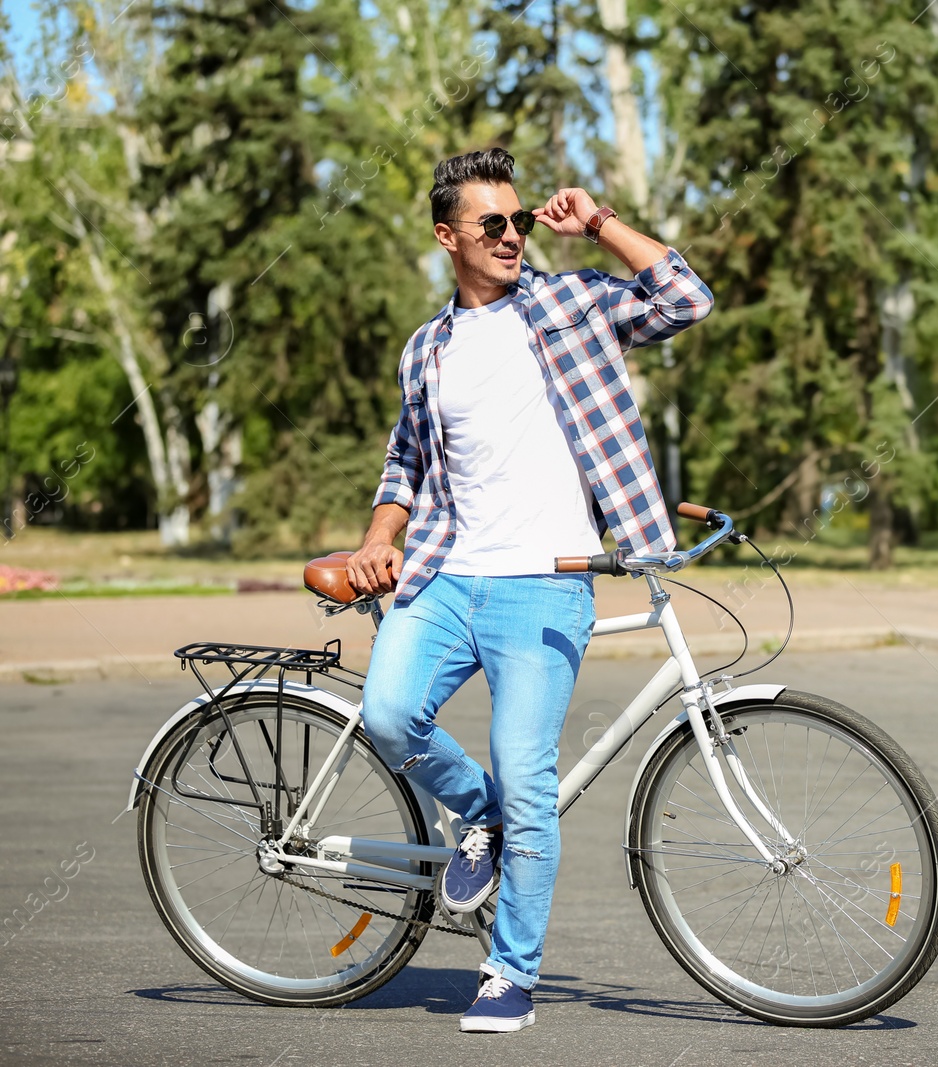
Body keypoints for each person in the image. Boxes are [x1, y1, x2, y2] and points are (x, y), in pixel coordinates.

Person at [346, 147, 713, 1033]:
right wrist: (376, 537)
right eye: (493, 225)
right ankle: (484, 818)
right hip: (443, 576)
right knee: (389, 716)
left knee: (529, 774)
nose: (513, 237)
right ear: (448, 237)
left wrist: (600, 224)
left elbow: (685, 298)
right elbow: (407, 461)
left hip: (546, 583)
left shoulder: (570, 301)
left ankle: (509, 973)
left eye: (518, 222)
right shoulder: (426, 348)